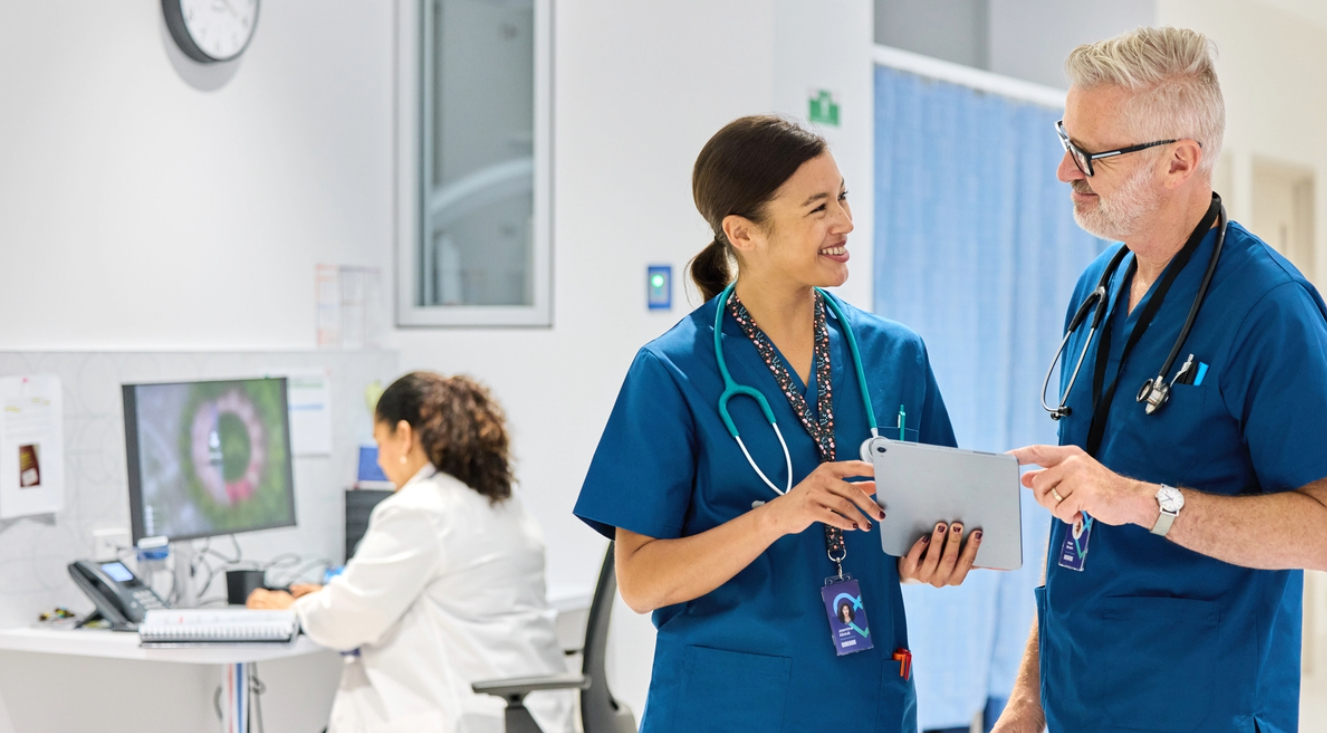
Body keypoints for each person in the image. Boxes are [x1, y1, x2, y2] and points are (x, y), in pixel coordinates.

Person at [992, 28, 1327, 733]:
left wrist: (1144, 501)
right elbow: (1082, 513)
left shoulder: (1270, 309)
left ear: (1180, 161)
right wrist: (1030, 692)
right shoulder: (1097, 289)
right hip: (1078, 697)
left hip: (1199, 704)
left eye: (1090, 156)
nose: (1066, 173)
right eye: (1067, 142)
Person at [573, 115, 983, 733]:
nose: (844, 221)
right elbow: (641, 582)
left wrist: (931, 558)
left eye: (842, 196)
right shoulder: (673, 372)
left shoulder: (897, 356)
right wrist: (778, 517)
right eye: (817, 207)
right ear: (743, 233)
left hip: (862, 694)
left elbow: (904, 541)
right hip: (727, 707)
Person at [248, 372, 576, 733]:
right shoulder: (503, 503)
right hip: (533, 718)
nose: (382, 462)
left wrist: (293, 607)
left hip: (461, 716)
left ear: (403, 436)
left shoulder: (419, 509)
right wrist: (334, 596)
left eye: (380, 443)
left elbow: (347, 622)